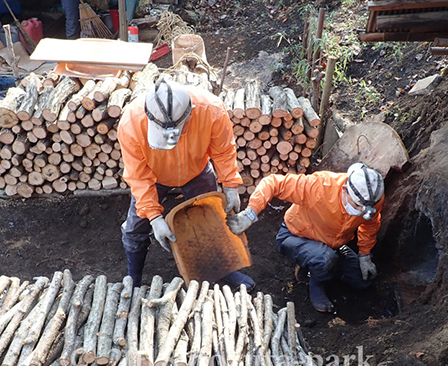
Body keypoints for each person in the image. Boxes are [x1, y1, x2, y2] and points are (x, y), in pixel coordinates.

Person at [117, 78, 254, 290]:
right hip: (153, 176)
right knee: (136, 227)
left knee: (212, 218)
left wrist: (230, 185)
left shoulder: (212, 110)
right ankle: (133, 278)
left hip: (196, 169)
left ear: (190, 113)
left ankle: (224, 268)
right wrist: (154, 218)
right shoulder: (131, 123)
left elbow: (224, 151)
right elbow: (138, 176)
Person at [226, 163, 385, 313]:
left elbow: (370, 225)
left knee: (363, 280)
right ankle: (316, 283)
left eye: (365, 209)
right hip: (295, 236)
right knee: (324, 259)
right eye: (357, 206)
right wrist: (250, 213)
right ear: (345, 189)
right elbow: (273, 183)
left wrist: (364, 255)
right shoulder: (320, 186)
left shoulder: (372, 199)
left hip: (332, 245)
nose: (360, 211)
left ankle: (315, 265)